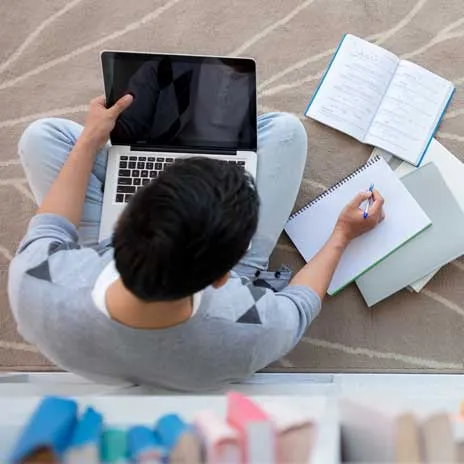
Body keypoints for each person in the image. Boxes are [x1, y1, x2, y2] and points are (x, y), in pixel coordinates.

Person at [8, 95, 384, 391]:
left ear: (122, 221)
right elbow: (300, 304)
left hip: (99, 279)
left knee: (42, 137)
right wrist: (342, 235)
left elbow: (54, 223)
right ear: (224, 277)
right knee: (285, 131)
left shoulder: (36, 280)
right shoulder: (250, 327)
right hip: (205, 298)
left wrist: (92, 137)